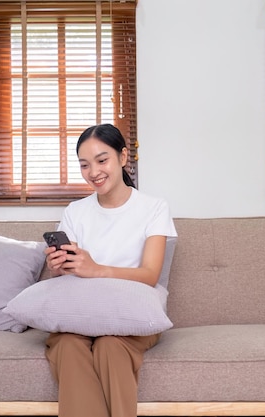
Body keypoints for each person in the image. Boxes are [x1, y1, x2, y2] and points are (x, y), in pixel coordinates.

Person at [44, 123, 177, 417]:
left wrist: (97, 269)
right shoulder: (75, 212)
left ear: (123, 156)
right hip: (80, 316)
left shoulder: (153, 208)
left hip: (131, 316)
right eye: (84, 165)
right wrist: (58, 268)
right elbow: (67, 274)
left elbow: (150, 274)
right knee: (66, 346)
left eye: (102, 160)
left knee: (110, 347)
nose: (94, 172)